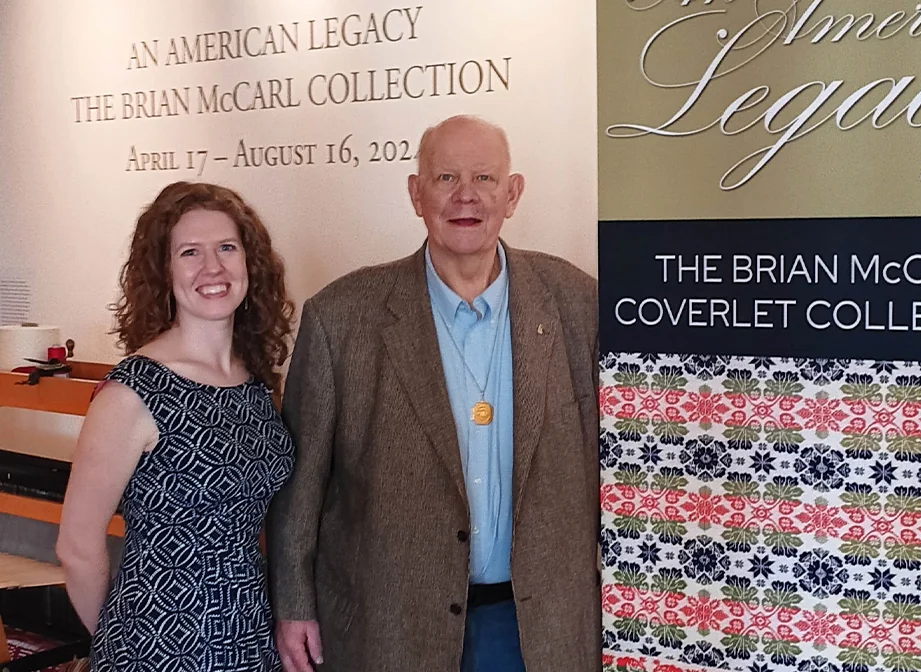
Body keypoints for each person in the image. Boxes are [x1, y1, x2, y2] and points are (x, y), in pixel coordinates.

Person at [266, 114, 601, 671]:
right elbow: (302, 488)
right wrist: (294, 604)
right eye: (445, 178)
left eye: (485, 179)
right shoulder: (341, 318)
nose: (466, 196)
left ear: (512, 194)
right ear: (415, 193)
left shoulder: (576, 303)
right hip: (392, 626)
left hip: (540, 629)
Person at [56, 181, 297, 671]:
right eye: (190, 252)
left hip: (249, 634)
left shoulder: (253, 379)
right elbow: (77, 547)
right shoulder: (132, 393)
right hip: (158, 646)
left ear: (249, 262)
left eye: (226, 248)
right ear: (164, 271)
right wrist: (121, 643)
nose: (213, 268)